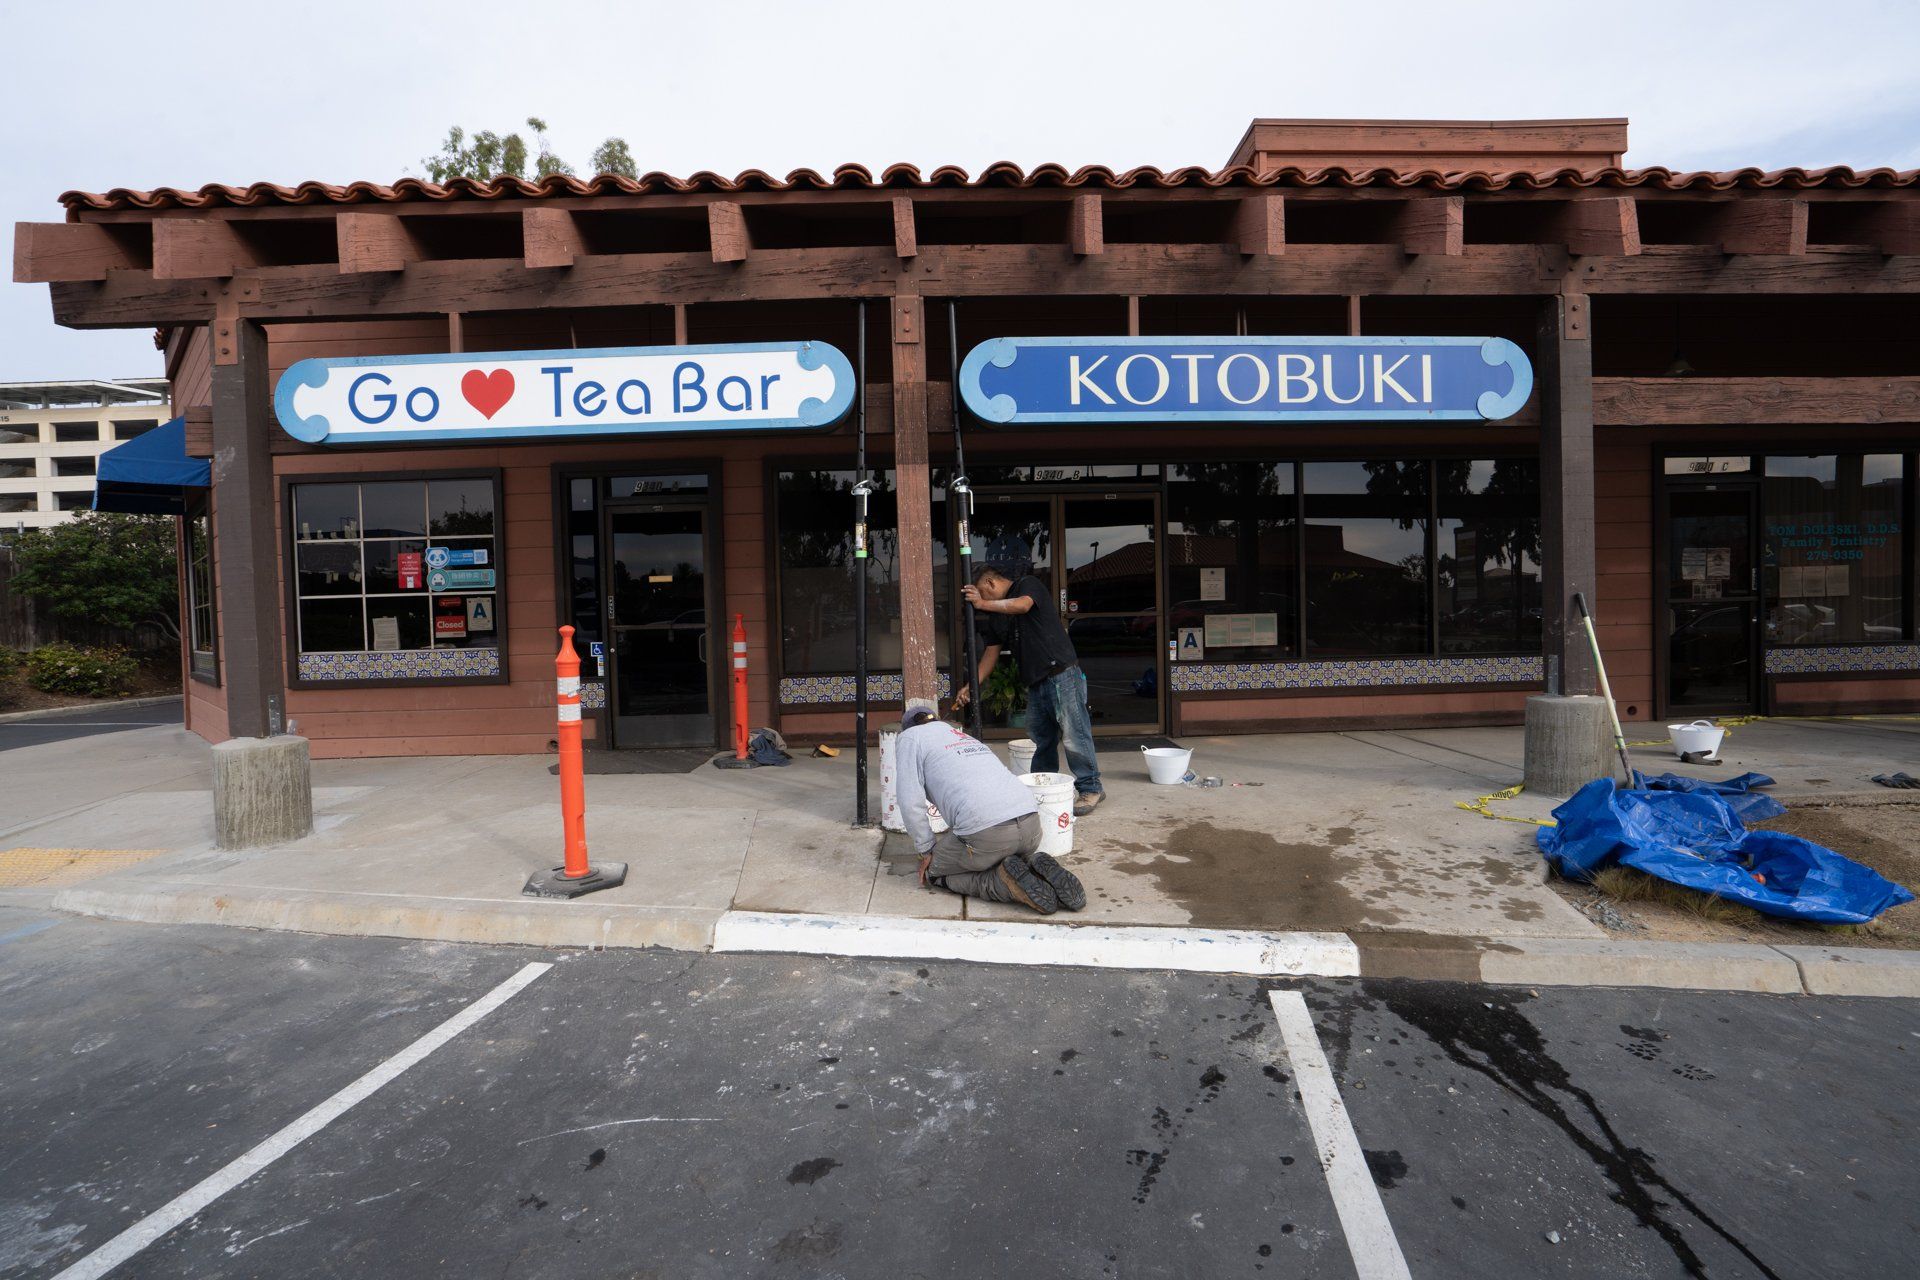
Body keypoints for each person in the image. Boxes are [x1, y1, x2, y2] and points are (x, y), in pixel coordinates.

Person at [894, 707, 1085, 915]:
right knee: (990, 854)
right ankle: (1033, 867)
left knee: (932, 873)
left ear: (908, 728)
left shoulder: (910, 738)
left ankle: (1000, 884)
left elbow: (909, 801)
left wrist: (926, 850)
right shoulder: (961, 736)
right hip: (1031, 827)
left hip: (989, 835)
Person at [954, 564, 1105, 816]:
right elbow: (990, 655)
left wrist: (981, 604)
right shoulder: (997, 616)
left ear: (990, 583)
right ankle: (1041, 790)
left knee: (1074, 735)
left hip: (1062, 674)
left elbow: (1022, 605)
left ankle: (1090, 788)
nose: (981, 599)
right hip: (1035, 682)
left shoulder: (1027, 585)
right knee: (1042, 740)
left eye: (982, 592)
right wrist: (971, 687)